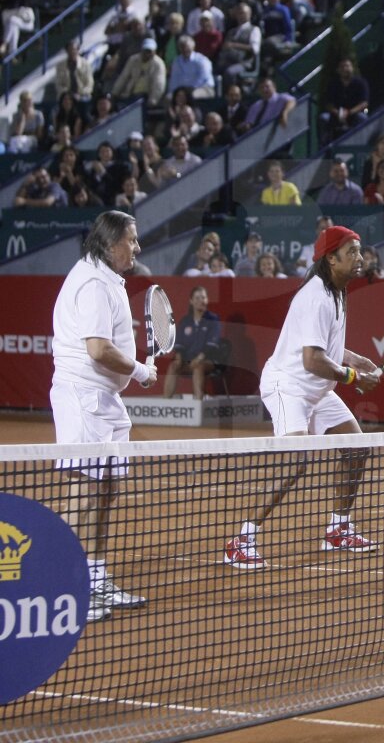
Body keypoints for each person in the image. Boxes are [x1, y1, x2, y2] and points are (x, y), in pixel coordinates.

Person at [223, 226, 382, 570]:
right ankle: (241, 539)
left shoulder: (337, 291)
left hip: (316, 388)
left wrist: (354, 358)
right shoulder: (316, 297)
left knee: (357, 449)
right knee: (294, 462)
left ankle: (338, 528)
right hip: (289, 386)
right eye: (352, 252)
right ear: (331, 258)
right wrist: (353, 376)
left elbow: (325, 347)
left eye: (360, 251)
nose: (360, 258)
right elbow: (312, 359)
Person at [52, 210, 155, 621]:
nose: (136, 247)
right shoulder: (93, 282)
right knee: (84, 493)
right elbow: (97, 349)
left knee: (106, 489)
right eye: (131, 240)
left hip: (105, 399)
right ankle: (66, 586)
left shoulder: (105, 277)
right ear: (111, 242)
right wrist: (140, 369)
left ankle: (94, 577)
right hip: (83, 397)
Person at [163, 286, 221, 399]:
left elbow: (212, 345)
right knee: (173, 365)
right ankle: (166, 402)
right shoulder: (186, 321)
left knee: (198, 366)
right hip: (188, 361)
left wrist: (199, 358)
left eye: (203, 298)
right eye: (197, 298)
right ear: (191, 301)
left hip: (208, 361)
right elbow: (179, 344)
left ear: (207, 300)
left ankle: (197, 404)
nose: (201, 301)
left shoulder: (213, 320)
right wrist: (179, 357)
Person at [319, 58, 369, 144]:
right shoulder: (333, 84)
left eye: (348, 66)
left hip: (354, 114)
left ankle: (359, 145)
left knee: (362, 118)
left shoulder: (361, 82)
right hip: (336, 115)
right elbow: (329, 104)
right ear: (338, 70)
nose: (345, 69)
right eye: (342, 67)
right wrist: (339, 113)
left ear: (352, 68)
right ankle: (324, 147)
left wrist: (349, 112)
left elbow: (364, 103)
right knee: (323, 117)